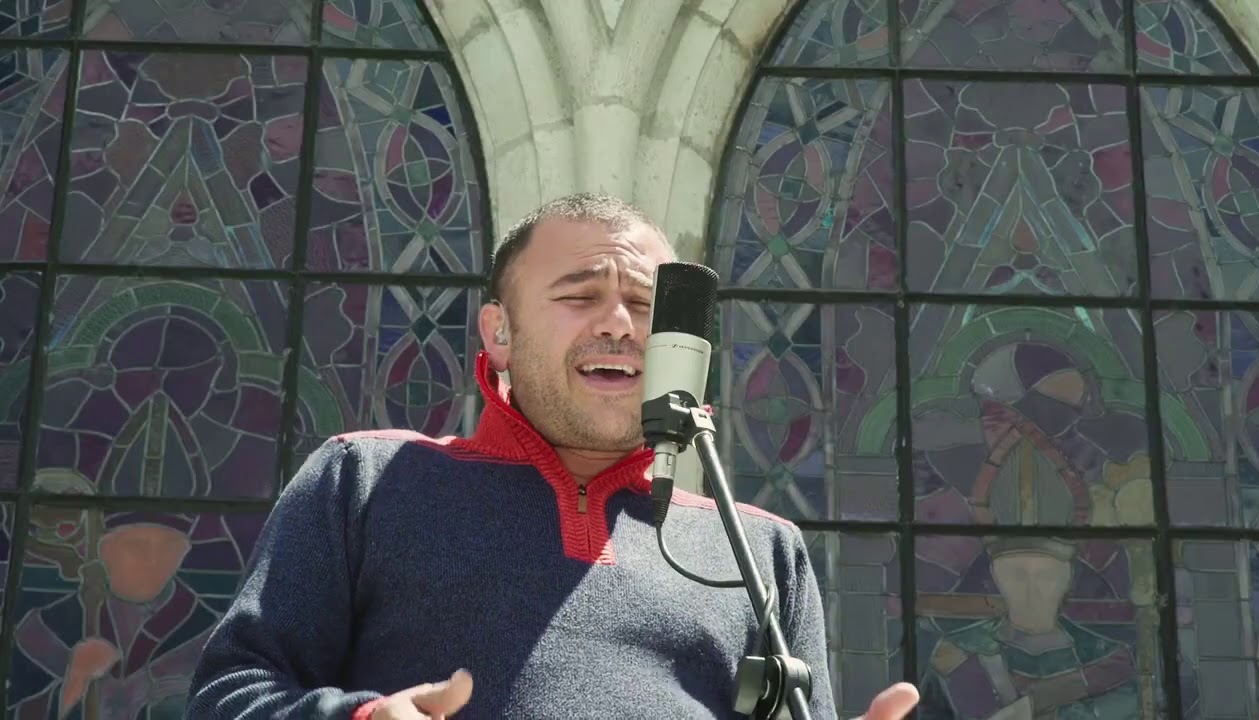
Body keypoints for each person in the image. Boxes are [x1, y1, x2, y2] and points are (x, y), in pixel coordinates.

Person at [184, 193, 920, 719]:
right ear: (499, 333)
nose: (619, 323)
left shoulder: (761, 550)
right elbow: (229, 695)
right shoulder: (364, 480)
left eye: (644, 304)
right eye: (580, 295)